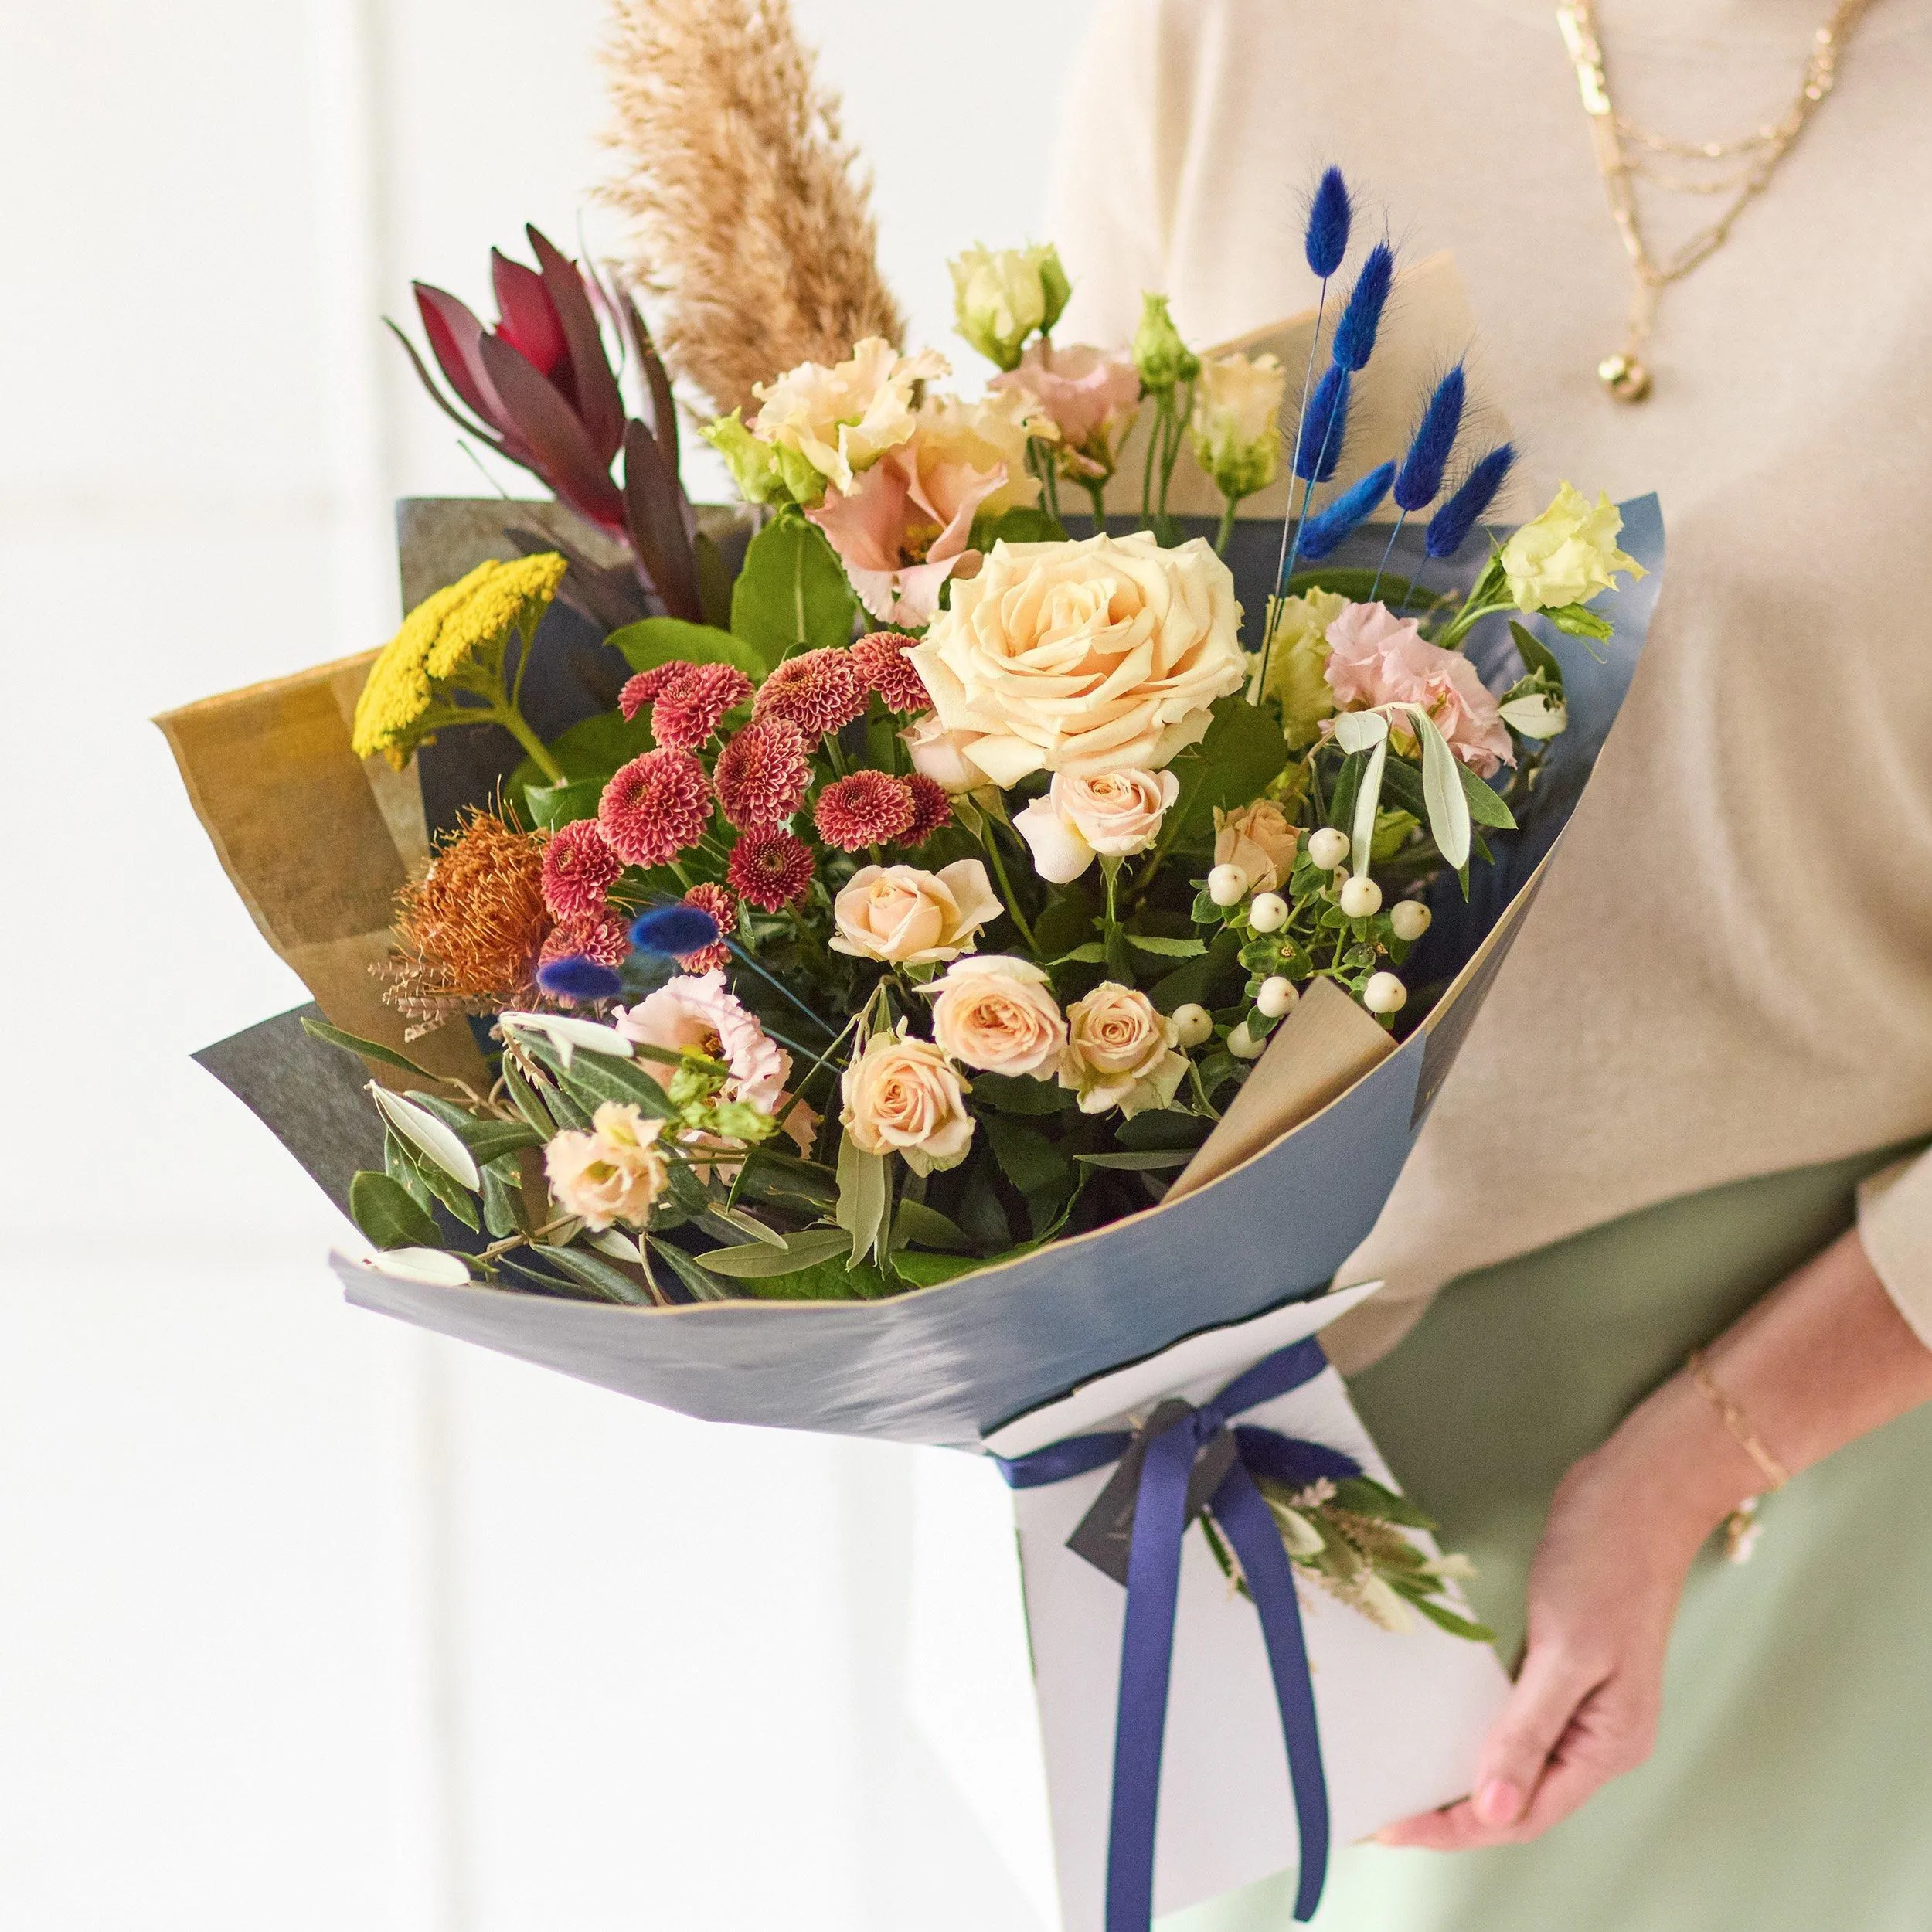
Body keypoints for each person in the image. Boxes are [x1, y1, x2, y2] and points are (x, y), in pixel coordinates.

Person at [1048, 3, 1932, 1927]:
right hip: (1253, 1468)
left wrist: (1706, 1448)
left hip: (1839, 1448)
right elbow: (1025, 722)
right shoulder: (1220, 40)